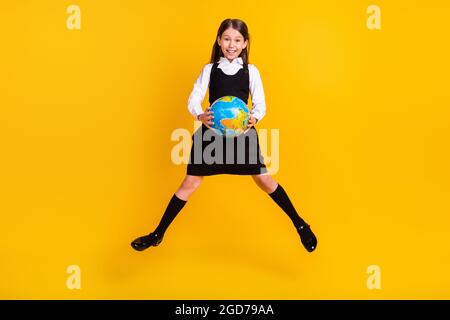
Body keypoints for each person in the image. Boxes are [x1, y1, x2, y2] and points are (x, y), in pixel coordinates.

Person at [131, 18, 317, 253]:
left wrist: (255, 118)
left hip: (242, 134)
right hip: (211, 134)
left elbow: (260, 103)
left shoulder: (252, 71)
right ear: (219, 41)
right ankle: (157, 234)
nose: (232, 44)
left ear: (245, 43)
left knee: (265, 180)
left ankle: (300, 225)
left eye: (237, 40)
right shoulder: (209, 69)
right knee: (190, 182)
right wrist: (200, 115)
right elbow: (193, 97)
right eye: (227, 39)